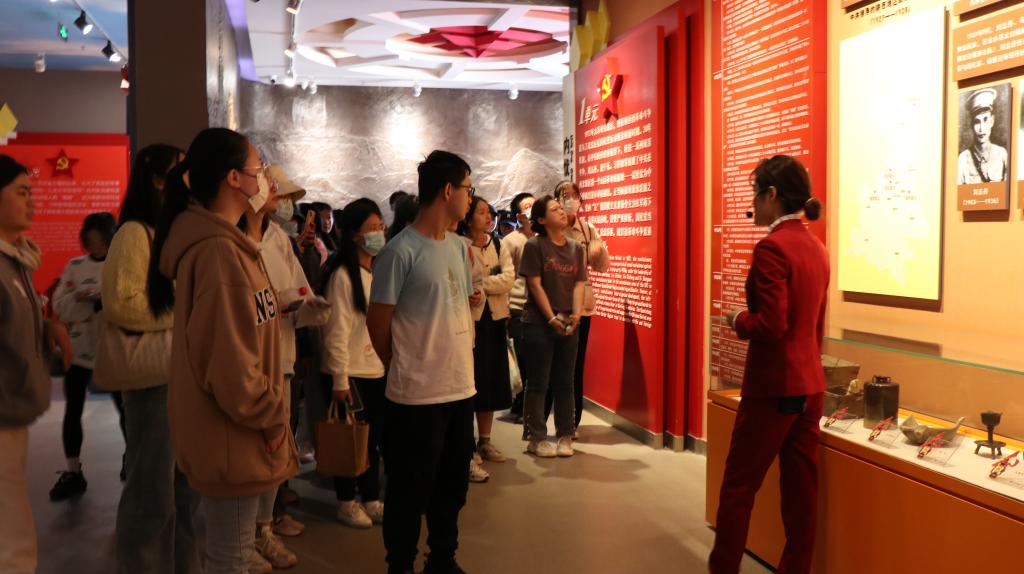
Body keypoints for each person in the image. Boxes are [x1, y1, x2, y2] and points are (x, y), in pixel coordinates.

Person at [149, 128, 298, 574]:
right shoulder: (218, 253)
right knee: (229, 557)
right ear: (234, 178)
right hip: (235, 430)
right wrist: (270, 416)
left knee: (230, 550)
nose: (265, 179)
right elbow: (230, 363)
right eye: (258, 169)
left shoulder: (230, 246)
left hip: (238, 427)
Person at [709, 155, 828, 574]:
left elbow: (771, 325)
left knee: (738, 488)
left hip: (774, 387)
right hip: (810, 385)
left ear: (772, 195)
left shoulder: (772, 248)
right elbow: (815, 326)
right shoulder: (817, 248)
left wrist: (736, 319)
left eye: (755, 195)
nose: (753, 205)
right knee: (801, 493)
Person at [367, 150, 477, 574]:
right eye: (467, 189)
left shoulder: (459, 247)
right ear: (448, 190)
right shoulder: (399, 251)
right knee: (409, 490)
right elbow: (378, 321)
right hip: (416, 395)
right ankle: (400, 565)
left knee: (452, 486)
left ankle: (442, 559)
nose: (470, 198)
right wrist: (399, 362)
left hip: (459, 387)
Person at [105, 143, 203, 574]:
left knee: (185, 492)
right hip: (152, 381)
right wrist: (185, 312)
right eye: (181, 171)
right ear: (158, 180)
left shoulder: (170, 230)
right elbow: (123, 303)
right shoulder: (134, 233)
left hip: (178, 376)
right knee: (152, 494)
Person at [240, 164, 331, 570]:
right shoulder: (231, 238)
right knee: (248, 451)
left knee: (277, 446)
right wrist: (274, 302)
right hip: (248, 360)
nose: (281, 201)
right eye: (275, 191)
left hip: (283, 355)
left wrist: (303, 304)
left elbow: (297, 288)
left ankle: (264, 527)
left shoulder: (278, 238)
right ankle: (244, 537)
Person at [0, 154, 73, 574]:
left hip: (13, 412)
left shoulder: (17, 261)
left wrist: (44, 326)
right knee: (10, 539)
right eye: (21, 192)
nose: (31, 201)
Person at [321, 198, 388, 529]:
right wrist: (340, 380)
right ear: (354, 235)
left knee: (370, 441)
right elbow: (336, 332)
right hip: (350, 373)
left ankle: (371, 497)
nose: (378, 234)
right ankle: (346, 502)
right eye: (371, 228)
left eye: (380, 227)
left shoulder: (374, 272)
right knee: (348, 440)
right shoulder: (343, 276)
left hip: (374, 369)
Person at [49, 211, 125, 501]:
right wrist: (81, 299)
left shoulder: (120, 264)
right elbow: (60, 305)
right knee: (73, 410)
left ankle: (132, 459)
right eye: (90, 239)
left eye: (100, 239)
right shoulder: (75, 266)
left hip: (113, 349)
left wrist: (103, 301)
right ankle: (73, 469)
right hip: (79, 351)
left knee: (125, 410)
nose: (95, 245)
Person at [520, 195, 587, 458]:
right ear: (541, 219)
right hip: (538, 322)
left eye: (561, 208)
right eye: (555, 209)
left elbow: (579, 283)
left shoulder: (576, 248)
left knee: (565, 382)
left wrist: (577, 314)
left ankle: (565, 436)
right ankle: (536, 438)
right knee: (538, 382)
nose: (561, 211)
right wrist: (551, 318)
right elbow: (535, 285)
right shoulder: (534, 245)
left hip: (569, 322)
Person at [458, 197, 514, 482]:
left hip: (496, 319)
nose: (488, 217)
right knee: (472, 382)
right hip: (472, 322)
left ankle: (486, 440)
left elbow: (509, 278)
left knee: (491, 380)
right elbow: (463, 282)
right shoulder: (460, 245)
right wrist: (490, 281)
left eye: (488, 212)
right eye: (481, 213)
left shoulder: (498, 244)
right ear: (468, 218)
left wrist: (482, 283)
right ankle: (467, 445)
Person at [553, 180, 609, 432]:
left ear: (581, 201)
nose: (569, 199)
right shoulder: (552, 229)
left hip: (582, 307)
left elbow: (602, 267)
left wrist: (599, 252)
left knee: (576, 365)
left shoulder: (587, 229)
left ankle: (571, 423)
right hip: (555, 306)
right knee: (554, 365)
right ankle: (545, 423)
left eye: (573, 195)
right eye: (564, 195)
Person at [502, 192, 535, 424]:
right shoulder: (511, 241)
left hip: (539, 308)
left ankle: (527, 405)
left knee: (534, 360)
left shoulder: (544, 238)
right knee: (522, 358)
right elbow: (505, 276)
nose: (532, 208)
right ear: (518, 215)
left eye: (534, 204)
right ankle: (522, 404)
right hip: (517, 306)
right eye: (527, 206)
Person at [957, 87, 1008, 185]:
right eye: (977, 122)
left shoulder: (1002, 154)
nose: (981, 128)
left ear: (992, 121)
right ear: (972, 125)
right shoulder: (963, 159)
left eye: (985, 120)